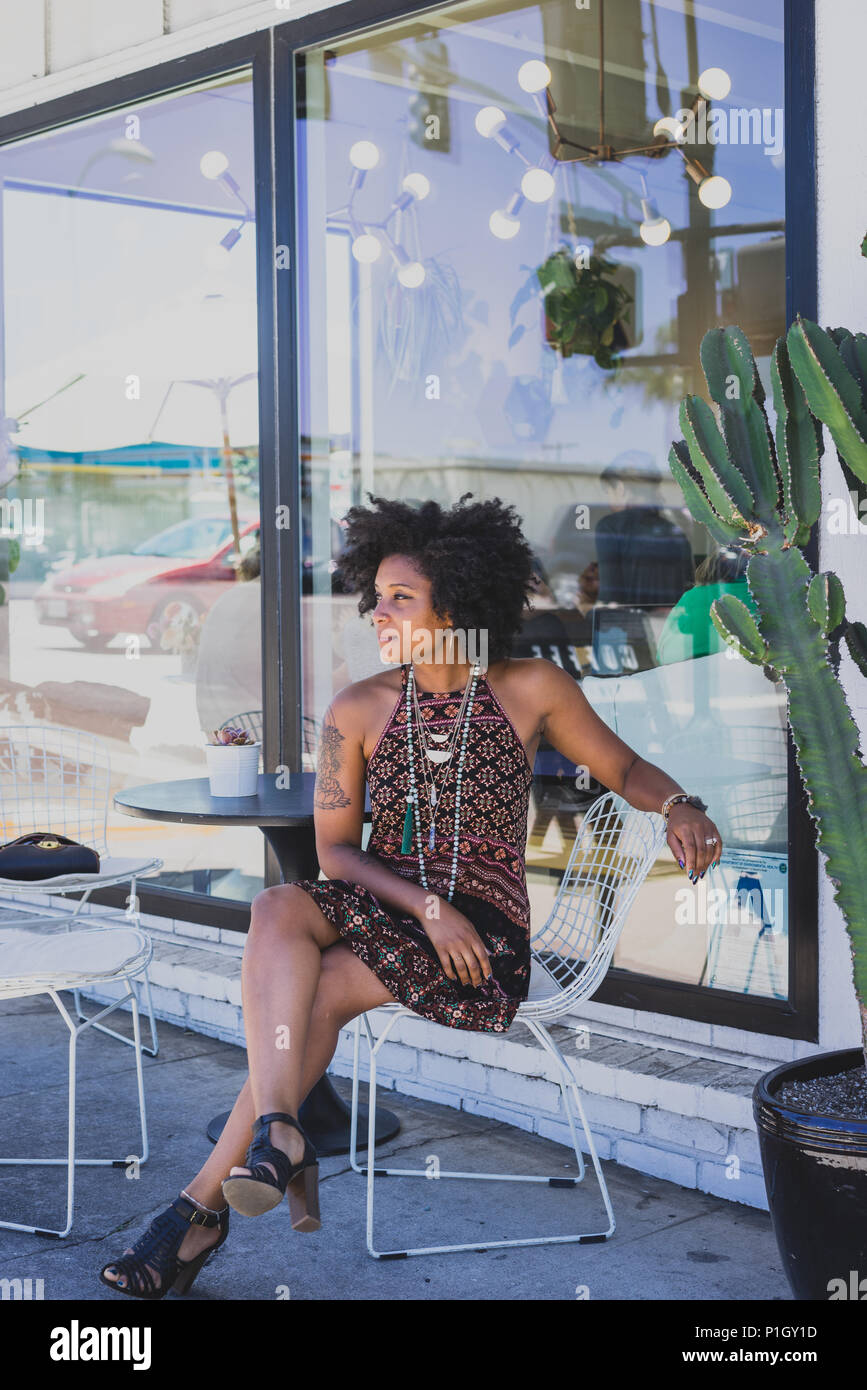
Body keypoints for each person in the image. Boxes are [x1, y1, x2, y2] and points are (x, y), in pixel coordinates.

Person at [99, 492, 723, 1299]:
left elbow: (626, 769)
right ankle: (271, 1142)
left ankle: (208, 1202)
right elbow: (331, 852)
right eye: (377, 594)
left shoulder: (531, 687)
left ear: (457, 605)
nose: (377, 612)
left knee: (317, 988)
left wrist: (679, 804)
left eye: (401, 598)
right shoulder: (354, 710)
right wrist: (425, 903)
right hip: (397, 901)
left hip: (483, 935)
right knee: (276, 906)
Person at [655, 545, 759, 665]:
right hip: (746, 670)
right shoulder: (764, 599)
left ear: (709, 568)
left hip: (690, 669)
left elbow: (663, 654)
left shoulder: (692, 596)